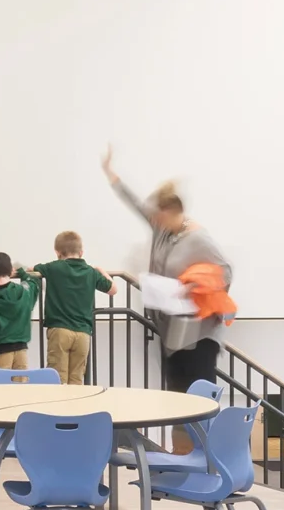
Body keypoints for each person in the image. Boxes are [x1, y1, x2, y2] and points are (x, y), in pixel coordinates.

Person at [101, 154, 231, 392]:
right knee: (176, 396)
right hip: (172, 330)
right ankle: (181, 431)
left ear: (172, 212)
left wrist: (193, 287)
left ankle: (199, 429)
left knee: (197, 398)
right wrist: (112, 176)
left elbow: (225, 272)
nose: (155, 220)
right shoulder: (163, 229)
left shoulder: (198, 239)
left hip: (199, 334)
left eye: (160, 216)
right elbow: (138, 205)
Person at [25, 232, 114, 386]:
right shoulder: (91, 272)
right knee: (77, 379)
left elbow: (31, 269)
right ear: (81, 252)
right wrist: (100, 269)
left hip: (59, 330)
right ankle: (76, 408)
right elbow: (113, 289)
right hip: (83, 333)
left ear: (57, 252)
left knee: (57, 379)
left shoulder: (53, 267)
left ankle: (58, 409)